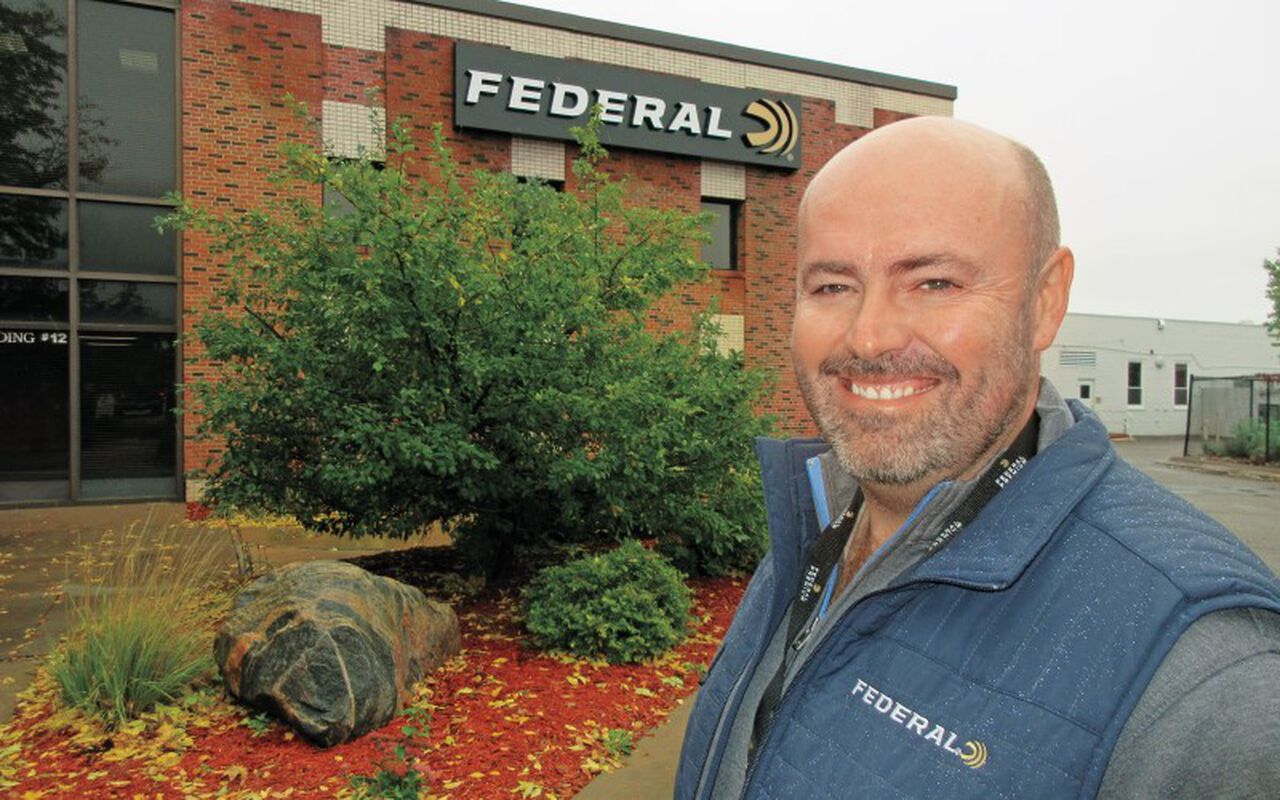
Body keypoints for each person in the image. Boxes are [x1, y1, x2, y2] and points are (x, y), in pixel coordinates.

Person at [674, 117, 1280, 800]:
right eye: (832, 286)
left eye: (934, 282)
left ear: (1045, 301)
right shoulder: (813, 528)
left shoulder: (1206, 674)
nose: (869, 335)